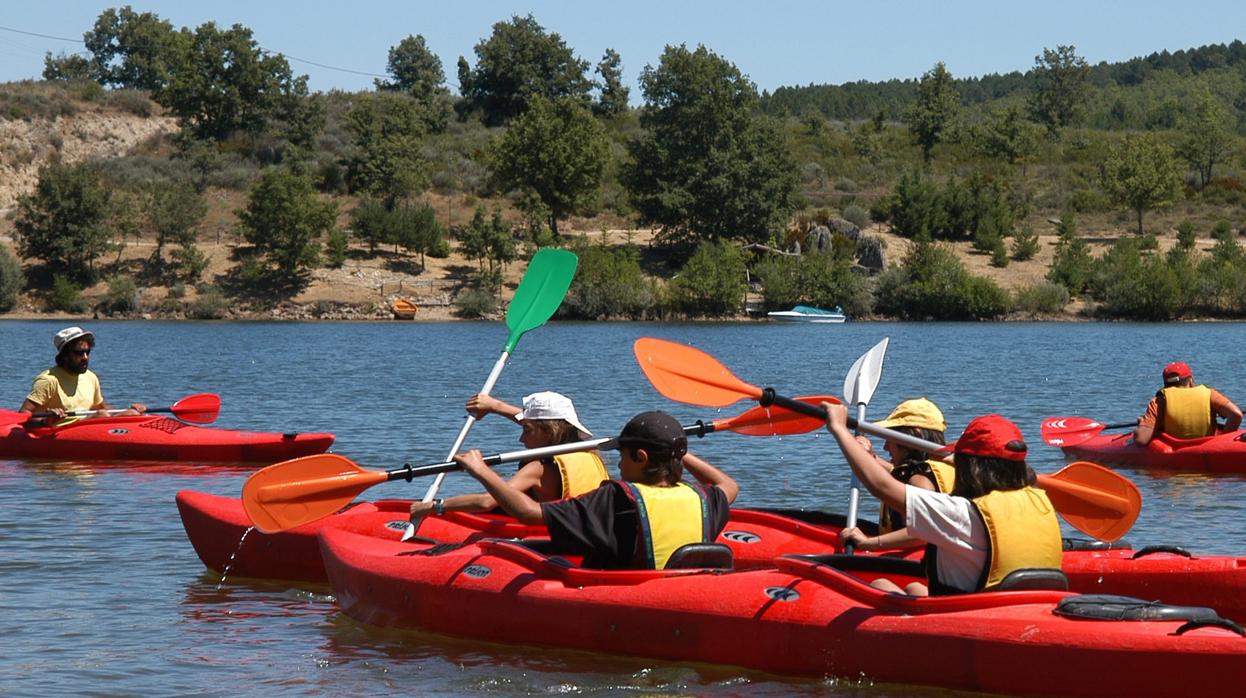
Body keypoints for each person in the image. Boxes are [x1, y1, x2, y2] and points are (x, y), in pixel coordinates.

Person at [451, 410, 739, 570]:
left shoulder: (614, 498)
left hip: (622, 595)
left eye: (623, 455)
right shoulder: (705, 498)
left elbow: (527, 512)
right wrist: (674, 450)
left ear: (641, 458)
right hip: (681, 588)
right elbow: (729, 485)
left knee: (502, 552)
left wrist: (481, 471)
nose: (619, 463)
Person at [825, 402, 1061, 596]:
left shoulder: (962, 514)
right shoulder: (1039, 500)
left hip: (969, 620)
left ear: (972, 467)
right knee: (915, 587)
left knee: (879, 586)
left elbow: (881, 486)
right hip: (1021, 607)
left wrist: (839, 429)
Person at [409, 391, 608, 520]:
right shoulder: (589, 451)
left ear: (548, 432)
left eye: (526, 430)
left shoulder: (538, 468)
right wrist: (495, 406)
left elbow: (486, 502)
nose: (521, 439)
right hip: (586, 528)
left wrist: (435, 507)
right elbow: (538, 422)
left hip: (549, 535)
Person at [840, 398, 955, 553]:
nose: (885, 446)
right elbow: (894, 472)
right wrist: (869, 457)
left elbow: (924, 532)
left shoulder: (920, 479)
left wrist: (869, 543)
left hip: (917, 563)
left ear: (913, 435)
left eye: (890, 438)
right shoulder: (942, 466)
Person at [19, 327, 146, 426]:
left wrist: (129, 410)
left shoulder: (91, 377)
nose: (85, 357)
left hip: (90, 425)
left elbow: (102, 409)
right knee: (101, 416)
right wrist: (46, 420)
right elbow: (23, 415)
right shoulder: (48, 380)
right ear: (65, 355)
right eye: (79, 353)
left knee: (132, 414)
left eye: (87, 352)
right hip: (62, 431)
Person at [1133, 361, 1242, 446]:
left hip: (1175, 452)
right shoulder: (1210, 394)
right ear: (1191, 381)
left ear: (1165, 384)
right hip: (1208, 447)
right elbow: (1236, 414)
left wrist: (1143, 423)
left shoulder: (1159, 401)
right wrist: (1222, 441)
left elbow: (1141, 440)